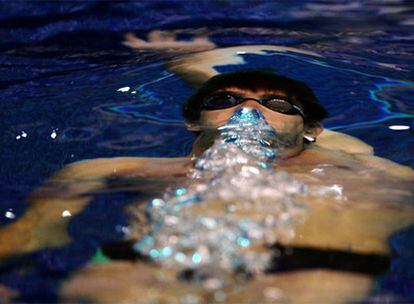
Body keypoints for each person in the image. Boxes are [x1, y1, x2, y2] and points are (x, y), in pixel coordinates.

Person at [1, 34, 413, 302]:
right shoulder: (109, 169)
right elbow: (26, 237)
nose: (249, 110)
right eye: (224, 102)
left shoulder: (356, 165)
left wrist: (193, 63)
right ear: (193, 121)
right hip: (138, 277)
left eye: (279, 106)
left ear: (312, 130)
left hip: (307, 275)